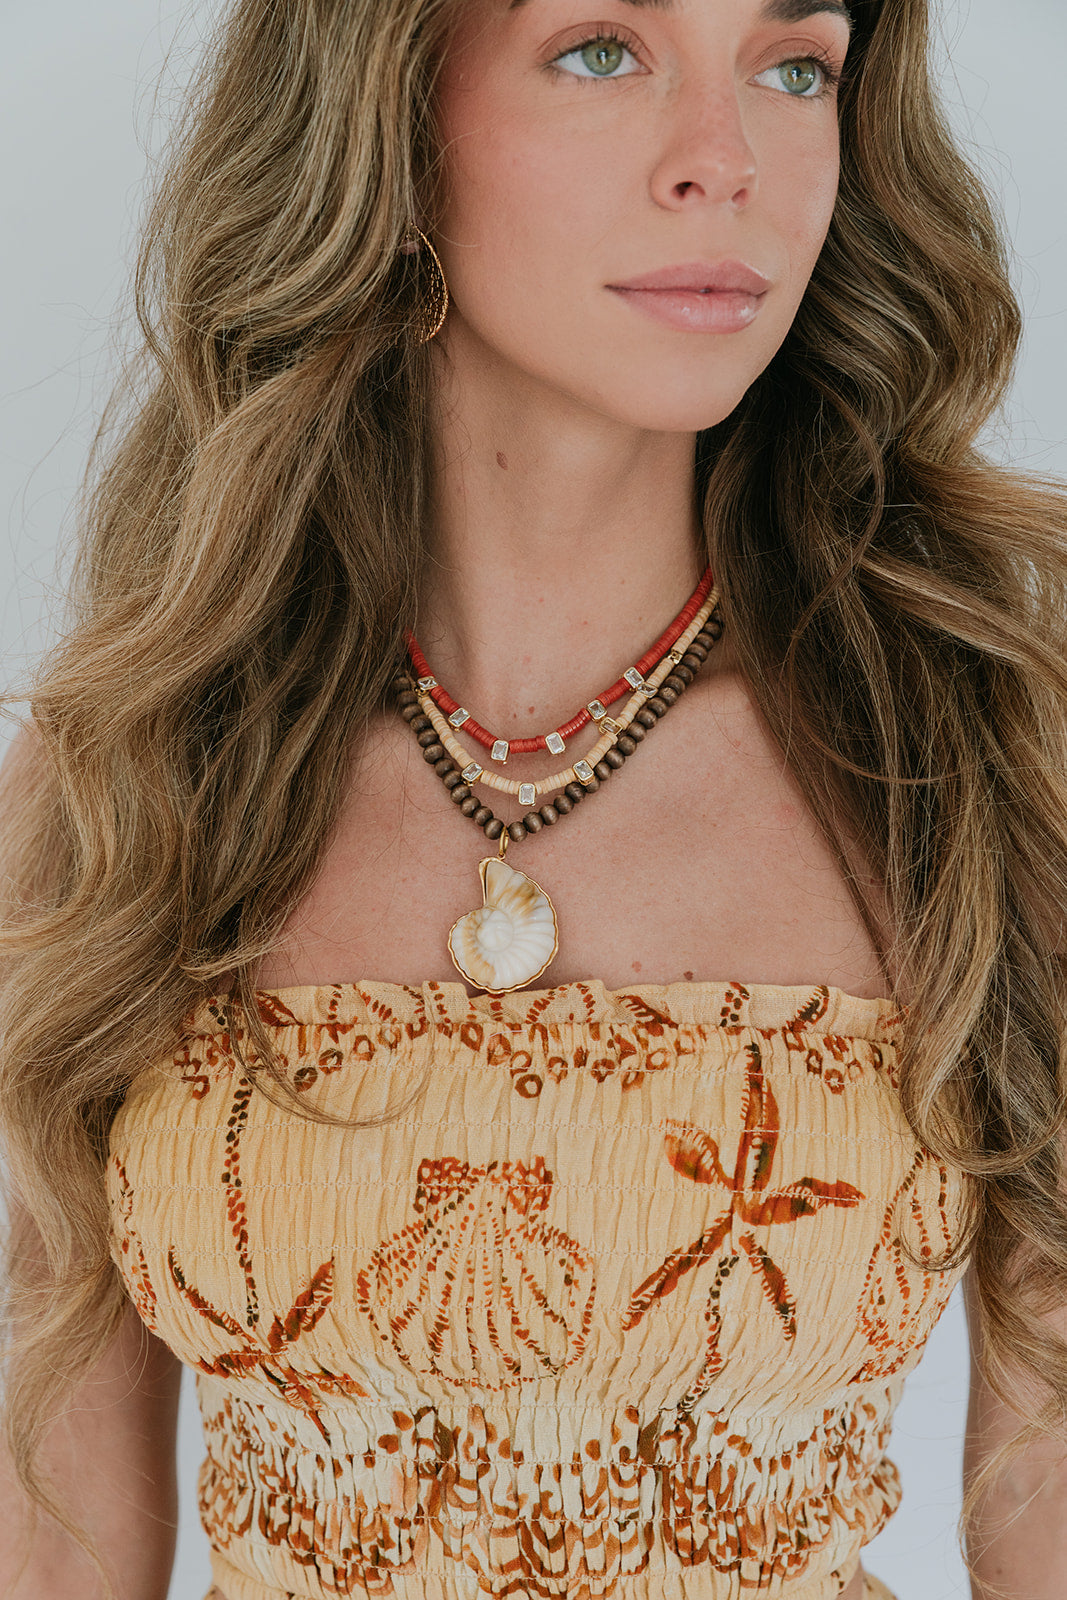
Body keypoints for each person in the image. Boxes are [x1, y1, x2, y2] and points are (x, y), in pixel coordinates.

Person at [2, 0, 1066, 1596]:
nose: (727, 162)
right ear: (385, 118)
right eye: (602, 49)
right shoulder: (129, 782)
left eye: (796, 69)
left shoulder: (981, 762)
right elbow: (54, 1531)